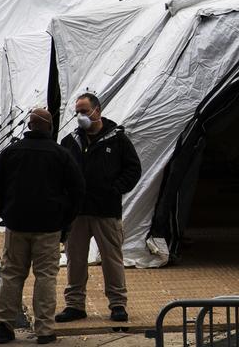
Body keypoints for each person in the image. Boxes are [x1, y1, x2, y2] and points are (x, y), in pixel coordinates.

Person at [0, 108, 85, 345]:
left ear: (29, 126)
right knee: (45, 277)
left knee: (11, 273)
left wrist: (6, 212)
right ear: (50, 128)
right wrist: (64, 221)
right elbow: (78, 190)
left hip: (17, 225)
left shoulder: (12, 152)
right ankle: (44, 330)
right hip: (49, 227)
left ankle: (5, 326)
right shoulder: (60, 154)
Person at [55, 93, 141, 323]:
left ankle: (118, 304)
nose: (81, 116)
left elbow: (133, 169)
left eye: (84, 111)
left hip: (106, 211)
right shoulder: (70, 142)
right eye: (78, 112)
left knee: (112, 259)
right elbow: (60, 173)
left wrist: (115, 189)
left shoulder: (118, 140)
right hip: (78, 213)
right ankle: (74, 304)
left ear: (97, 111)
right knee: (75, 259)